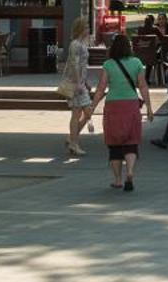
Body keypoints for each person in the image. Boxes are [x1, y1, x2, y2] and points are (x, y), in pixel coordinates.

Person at [99, 33, 154, 192]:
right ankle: (130, 172)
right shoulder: (136, 63)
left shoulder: (108, 64)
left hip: (113, 105)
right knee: (131, 141)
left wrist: (92, 105)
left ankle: (117, 180)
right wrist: (149, 107)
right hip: (131, 105)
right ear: (129, 47)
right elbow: (143, 86)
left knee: (114, 144)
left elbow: (102, 87)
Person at [63, 16, 96, 158]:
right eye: (87, 27)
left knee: (86, 111)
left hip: (81, 83)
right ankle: (73, 143)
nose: (89, 29)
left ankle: (72, 139)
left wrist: (86, 81)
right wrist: (78, 83)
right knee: (77, 114)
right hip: (77, 85)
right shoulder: (75, 44)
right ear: (80, 29)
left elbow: (82, 66)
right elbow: (74, 65)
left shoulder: (81, 43)